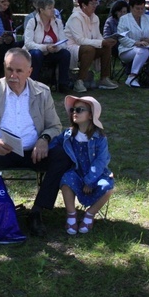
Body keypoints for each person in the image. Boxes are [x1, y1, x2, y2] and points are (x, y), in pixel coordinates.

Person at [0, 48, 72, 237]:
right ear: (4, 68)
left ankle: (37, 211)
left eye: (19, 71)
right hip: (3, 151)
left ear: (29, 72)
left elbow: (55, 125)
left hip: (34, 153)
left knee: (63, 155)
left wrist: (44, 139)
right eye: (9, 70)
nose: (13, 75)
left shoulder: (42, 92)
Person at [60, 95, 114, 235]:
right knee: (66, 180)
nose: (74, 113)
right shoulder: (68, 134)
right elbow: (54, 143)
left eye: (79, 109)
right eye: (73, 109)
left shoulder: (100, 138)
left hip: (96, 174)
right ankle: (71, 215)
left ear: (91, 115)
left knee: (107, 187)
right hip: (77, 172)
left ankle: (90, 214)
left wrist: (90, 180)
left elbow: (100, 161)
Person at [64, 0, 118, 93]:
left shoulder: (95, 18)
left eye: (95, 3)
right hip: (72, 48)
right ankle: (79, 81)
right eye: (92, 4)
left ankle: (104, 78)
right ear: (84, 5)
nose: (94, 6)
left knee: (105, 47)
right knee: (89, 49)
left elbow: (98, 36)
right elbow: (79, 40)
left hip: (88, 47)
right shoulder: (75, 17)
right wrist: (101, 43)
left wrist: (105, 42)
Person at [22, 0, 71, 93]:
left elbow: (63, 42)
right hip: (37, 52)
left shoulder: (58, 22)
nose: (53, 10)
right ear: (41, 10)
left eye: (53, 7)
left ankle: (63, 84)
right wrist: (45, 48)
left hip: (52, 52)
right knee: (36, 54)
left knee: (65, 54)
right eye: (50, 8)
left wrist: (57, 47)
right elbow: (28, 43)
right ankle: (33, 84)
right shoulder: (32, 22)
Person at [117, 0, 149, 87]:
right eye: (137, 9)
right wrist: (136, 43)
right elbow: (121, 37)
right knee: (142, 51)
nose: (140, 11)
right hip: (127, 50)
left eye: (142, 8)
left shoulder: (148, 18)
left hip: (146, 47)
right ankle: (132, 77)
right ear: (131, 8)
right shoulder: (124, 19)